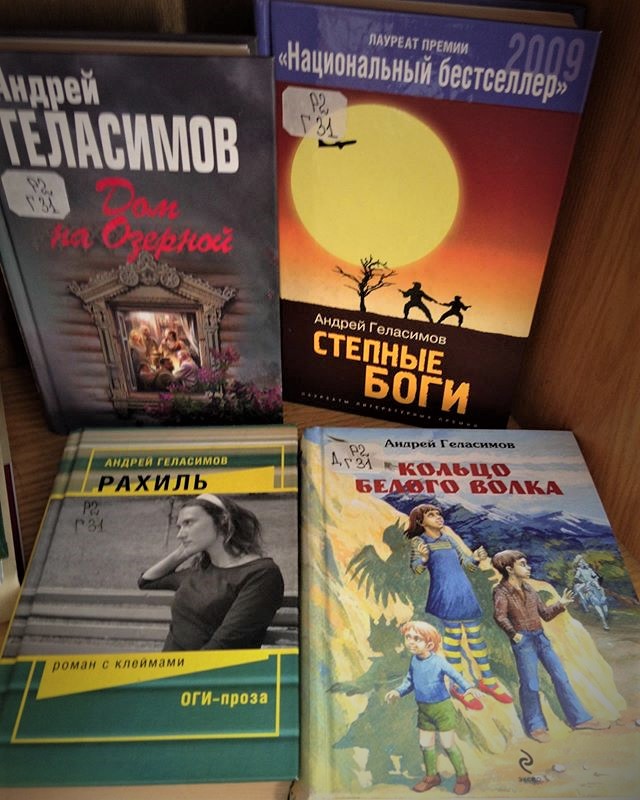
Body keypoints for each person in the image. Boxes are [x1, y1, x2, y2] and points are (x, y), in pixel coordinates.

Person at [138, 493, 284, 651]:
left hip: (208, 665)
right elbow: (147, 581)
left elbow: (226, 643)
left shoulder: (261, 574)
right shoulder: (200, 570)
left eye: (188, 523)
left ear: (222, 520)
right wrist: (182, 552)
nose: (180, 535)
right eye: (179, 527)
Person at [491, 549, 609, 743]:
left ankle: (580, 719)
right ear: (509, 569)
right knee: (530, 684)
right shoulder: (501, 591)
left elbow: (545, 614)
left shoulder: (530, 589)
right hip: (524, 641)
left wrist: (560, 604)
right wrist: (514, 634)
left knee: (561, 677)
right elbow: (500, 616)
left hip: (540, 637)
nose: (528, 568)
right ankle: (536, 726)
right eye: (523, 564)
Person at [407, 504, 512, 709]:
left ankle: (488, 681)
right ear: (420, 521)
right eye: (431, 515)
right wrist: (424, 558)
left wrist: (476, 558)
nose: (438, 517)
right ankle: (458, 687)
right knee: (453, 641)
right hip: (446, 595)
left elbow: (467, 564)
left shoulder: (448, 539)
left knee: (476, 638)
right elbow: (416, 569)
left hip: (463, 592)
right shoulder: (420, 541)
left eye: (439, 514)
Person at [385, 620, 478, 795]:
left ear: (429, 644)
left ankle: (462, 777)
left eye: (416, 638)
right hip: (424, 709)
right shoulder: (414, 661)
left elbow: (455, 675)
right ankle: (431, 777)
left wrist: (468, 688)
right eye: (408, 637)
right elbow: (409, 681)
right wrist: (398, 691)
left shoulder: (438, 662)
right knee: (425, 743)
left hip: (442, 709)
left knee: (448, 744)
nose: (410, 642)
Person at [572, 555, 609, 630]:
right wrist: (583, 581)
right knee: (580, 590)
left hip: (593, 582)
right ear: (579, 564)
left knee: (601, 589)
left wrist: (596, 578)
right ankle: (586, 605)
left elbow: (595, 576)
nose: (582, 563)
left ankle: (603, 598)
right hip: (586, 583)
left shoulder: (589, 569)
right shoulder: (579, 570)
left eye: (583, 561)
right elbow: (576, 578)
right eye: (580, 562)